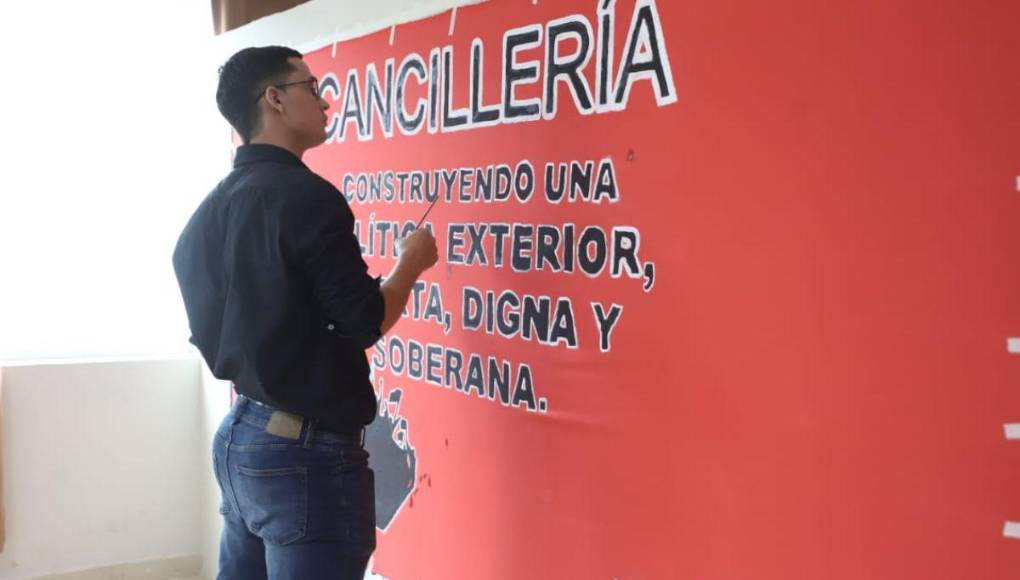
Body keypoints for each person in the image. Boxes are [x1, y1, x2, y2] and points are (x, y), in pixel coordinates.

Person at [172, 46, 438, 580]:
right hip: (303, 455)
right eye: (312, 88)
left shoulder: (215, 205)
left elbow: (199, 299)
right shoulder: (308, 198)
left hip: (242, 433)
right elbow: (364, 320)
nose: (325, 102)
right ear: (273, 99)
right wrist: (411, 264)